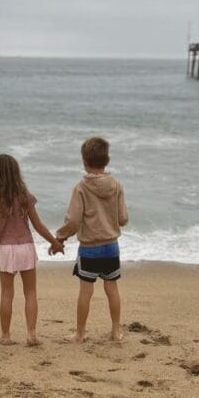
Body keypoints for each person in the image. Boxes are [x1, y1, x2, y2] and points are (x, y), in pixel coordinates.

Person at [0, 154, 64, 346]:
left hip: (5, 249)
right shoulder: (24, 196)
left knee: (7, 293)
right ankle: (31, 334)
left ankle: (6, 336)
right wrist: (55, 242)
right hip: (25, 246)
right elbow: (38, 225)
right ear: (16, 173)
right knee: (30, 292)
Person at [55, 137, 128, 343]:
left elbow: (74, 220)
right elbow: (123, 219)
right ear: (107, 160)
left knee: (85, 292)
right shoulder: (117, 185)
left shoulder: (81, 188)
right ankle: (115, 331)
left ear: (84, 162)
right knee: (111, 288)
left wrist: (60, 237)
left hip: (89, 249)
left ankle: (80, 333)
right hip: (111, 247)